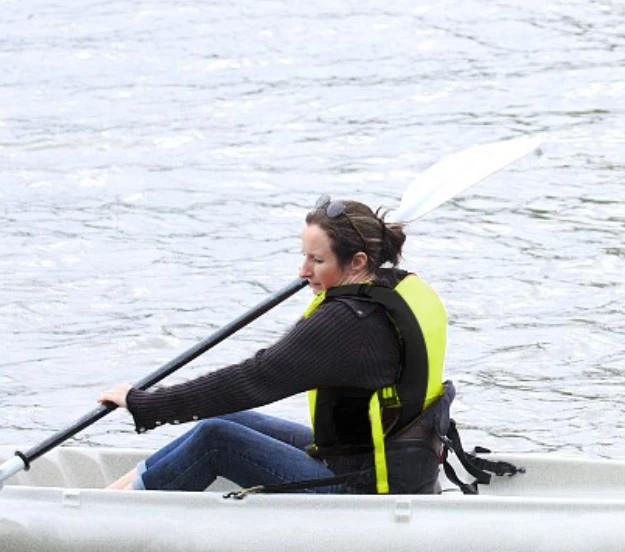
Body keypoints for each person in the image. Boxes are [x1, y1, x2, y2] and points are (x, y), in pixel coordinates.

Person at [99, 195, 454, 495]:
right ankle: (122, 492)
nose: (303, 271)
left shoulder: (348, 322)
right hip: (384, 464)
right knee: (223, 416)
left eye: (317, 260)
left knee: (216, 438)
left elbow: (254, 378)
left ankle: (113, 516)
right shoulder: (395, 288)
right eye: (304, 256)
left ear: (358, 261)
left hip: (362, 489)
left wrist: (145, 404)